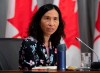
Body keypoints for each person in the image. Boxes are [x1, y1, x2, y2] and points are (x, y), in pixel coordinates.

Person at [19, 3, 65, 70]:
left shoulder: (56, 43)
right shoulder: (29, 43)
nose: (51, 24)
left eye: (55, 19)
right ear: (38, 21)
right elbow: (29, 69)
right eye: (47, 18)